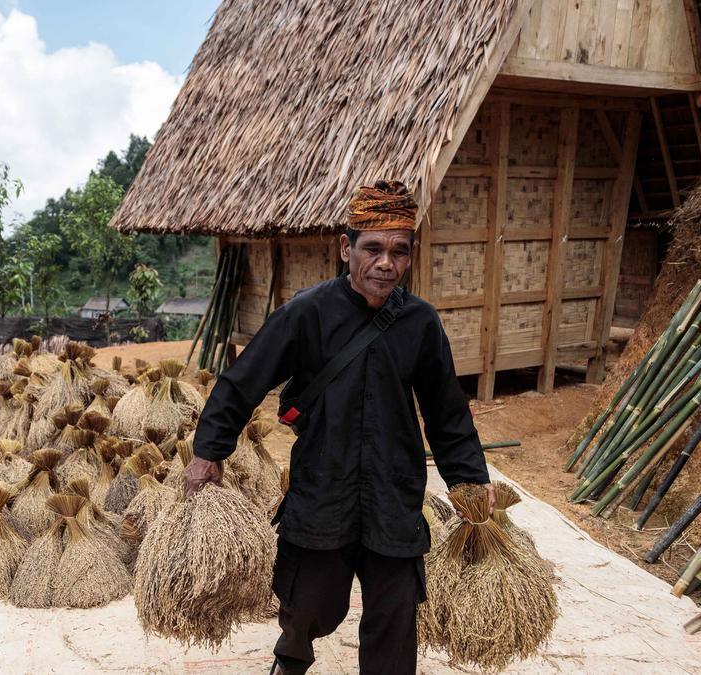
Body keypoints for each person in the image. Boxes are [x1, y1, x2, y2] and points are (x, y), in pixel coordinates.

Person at [184, 181, 493, 674]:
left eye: (399, 251)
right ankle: (290, 662)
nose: (385, 263)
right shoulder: (306, 313)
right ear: (347, 248)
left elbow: (447, 414)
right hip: (322, 488)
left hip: (394, 494)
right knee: (309, 604)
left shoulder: (421, 323)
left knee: (394, 613)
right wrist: (208, 452)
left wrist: (470, 481)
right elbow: (242, 383)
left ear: (410, 257)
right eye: (373, 248)